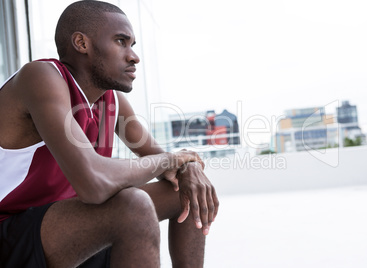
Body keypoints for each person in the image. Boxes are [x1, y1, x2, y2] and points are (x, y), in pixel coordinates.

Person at [0, 0, 219, 267]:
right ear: (82, 43)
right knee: (134, 206)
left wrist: (188, 169)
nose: (133, 56)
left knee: (184, 191)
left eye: (133, 45)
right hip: (10, 232)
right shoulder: (40, 77)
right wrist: (172, 160)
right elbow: (93, 184)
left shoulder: (109, 100)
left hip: (60, 225)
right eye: (120, 41)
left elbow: (166, 162)